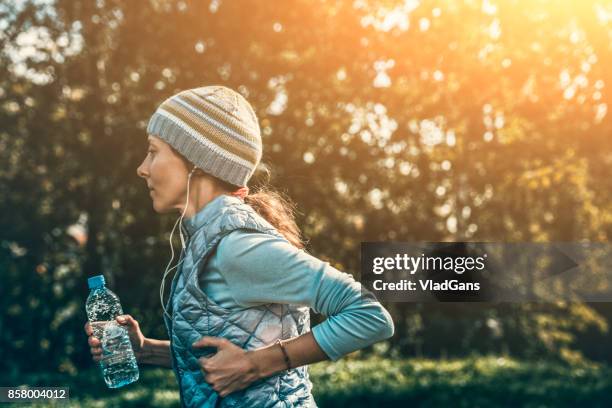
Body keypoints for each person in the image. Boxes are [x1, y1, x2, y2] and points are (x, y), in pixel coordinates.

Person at [84, 85, 394, 407]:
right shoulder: (207, 239)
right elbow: (223, 354)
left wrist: (258, 364)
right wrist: (145, 349)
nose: (142, 168)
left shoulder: (237, 247)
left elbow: (370, 315)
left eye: (153, 151)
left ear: (196, 161)